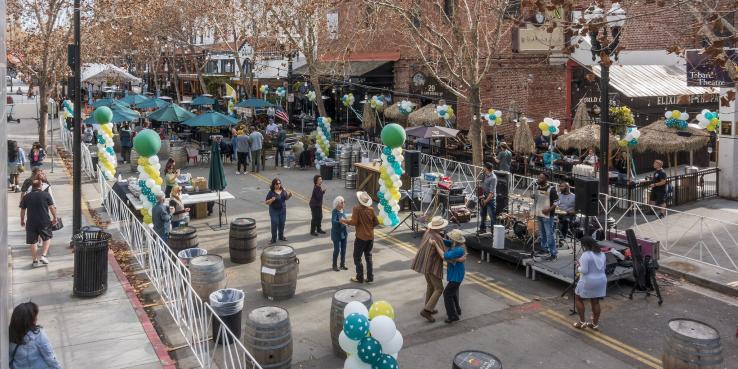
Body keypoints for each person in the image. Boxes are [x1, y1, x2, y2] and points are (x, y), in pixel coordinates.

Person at [411, 216, 448, 323]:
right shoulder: (437, 237)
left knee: (430, 286)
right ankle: (426, 310)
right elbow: (443, 254)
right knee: (439, 288)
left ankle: (429, 307)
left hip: (425, 264)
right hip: (432, 266)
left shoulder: (428, 232)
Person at [8, 302, 61, 369]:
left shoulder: (10, 335)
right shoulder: (38, 334)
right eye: (35, 316)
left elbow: (9, 359)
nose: (36, 319)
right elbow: (49, 356)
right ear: (29, 320)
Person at [341, 191, 379, 284]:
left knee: (357, 257)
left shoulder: (357, 209)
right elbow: (376, 222)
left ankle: (360, 277)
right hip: (370, 237)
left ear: (359, 200)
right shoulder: (371, 209)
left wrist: (344, 221)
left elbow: (354, 222)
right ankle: (370, 277)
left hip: (361, 237)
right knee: (368, 257)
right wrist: (369, 228)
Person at [19, 180, 57, 267]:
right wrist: (55, 217)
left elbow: (23, 210)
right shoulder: (46, 195)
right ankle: (43, 255)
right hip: (44, 221)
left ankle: (35, 261)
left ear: (32, 186)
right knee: (47, 238)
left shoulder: (26, 196)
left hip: (31, 222)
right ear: (40, 186)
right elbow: (51, 207)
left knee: (33, 242)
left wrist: (22, 220)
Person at [573, 236, 606, 330]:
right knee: (595, 301)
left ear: (585, 245)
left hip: (588, 281)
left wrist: (578, 266)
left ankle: (582, 322)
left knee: (579, 299)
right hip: (601, 280)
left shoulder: (586, 255)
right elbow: (604, 268)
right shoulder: (602, 254)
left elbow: (584, 270)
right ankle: (594, 324)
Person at [438, 229, 466, 324]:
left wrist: (435, 244)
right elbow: (446, 242)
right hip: (457, 274)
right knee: (452, 293)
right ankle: (457, 310)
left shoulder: (458, 250)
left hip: (456, 276)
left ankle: (452, 315)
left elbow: (444, 255)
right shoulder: (456, 244)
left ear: (455, 240)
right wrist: (439, 238)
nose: (450, 239)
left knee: (447, 294)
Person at [533, 173, 558, 260]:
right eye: (538, 177)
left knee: (549, 234)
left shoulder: (552, 189)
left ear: (546, 179)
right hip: (539, 214)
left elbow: (556, 202)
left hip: (547, 216)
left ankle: (553, 253)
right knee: (542, 234)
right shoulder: (537, 187)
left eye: (541, 178)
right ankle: (544, 249)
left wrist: (548, 210)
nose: (539, 179)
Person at [265, 178, 292, 244]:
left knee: (282, 224)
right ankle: (273, 239)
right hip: (274, 211)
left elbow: (286, 198)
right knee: (274, 224)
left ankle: (281, 236)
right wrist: (271, 200)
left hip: (282, 210)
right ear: (274, 185)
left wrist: (289, 195)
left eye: (279, 183)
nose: (278, 185)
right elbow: (266, 202)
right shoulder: (271, 192)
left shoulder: (283, 191)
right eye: (277, 184)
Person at [477, 162, 497, 234]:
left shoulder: (493, 178)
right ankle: (482, 229)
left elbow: (492, 193)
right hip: (483, 197)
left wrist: (485, 201)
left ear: (487, 168)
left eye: (484, 167)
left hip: (490, 199)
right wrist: (481, 196)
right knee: (483, 214)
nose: (483, 168)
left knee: (492, 216)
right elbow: (481, 185)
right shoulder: (484, 175)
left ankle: (493, 232)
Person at [331, 196, 349, 272]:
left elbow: (345, 219)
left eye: (344, 202)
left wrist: (347, 222)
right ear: (338, 203)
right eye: (342, 202)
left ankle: (342, 264)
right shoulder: (334, 211)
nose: (343, 203)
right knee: (337, 250)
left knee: (344, 250)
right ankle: (334, 265)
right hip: (336, 234)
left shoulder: (343, 211)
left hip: (344, 233)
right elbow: (333, 222)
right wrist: (340, 222)